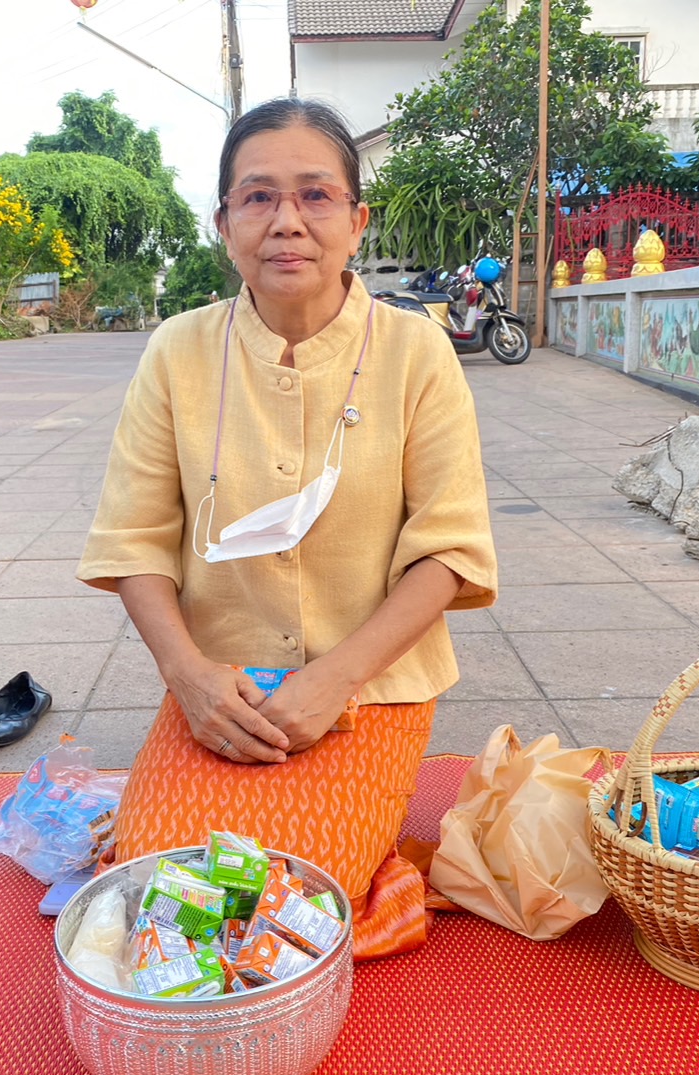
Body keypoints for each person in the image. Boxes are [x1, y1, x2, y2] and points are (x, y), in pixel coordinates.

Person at [76, 98, 497, 960]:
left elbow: (449, 551)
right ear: (224, 222)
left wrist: (333, 680)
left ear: (356, 220)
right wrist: (188, 676)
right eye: (259, 197)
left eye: (316, 195)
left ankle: (384, 874)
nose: (287, 222)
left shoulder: (417, 352)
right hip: (221, 688)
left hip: (371, 684)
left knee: (294, 893)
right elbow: (134, 541)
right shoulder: (178, 351)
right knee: (162, 880)